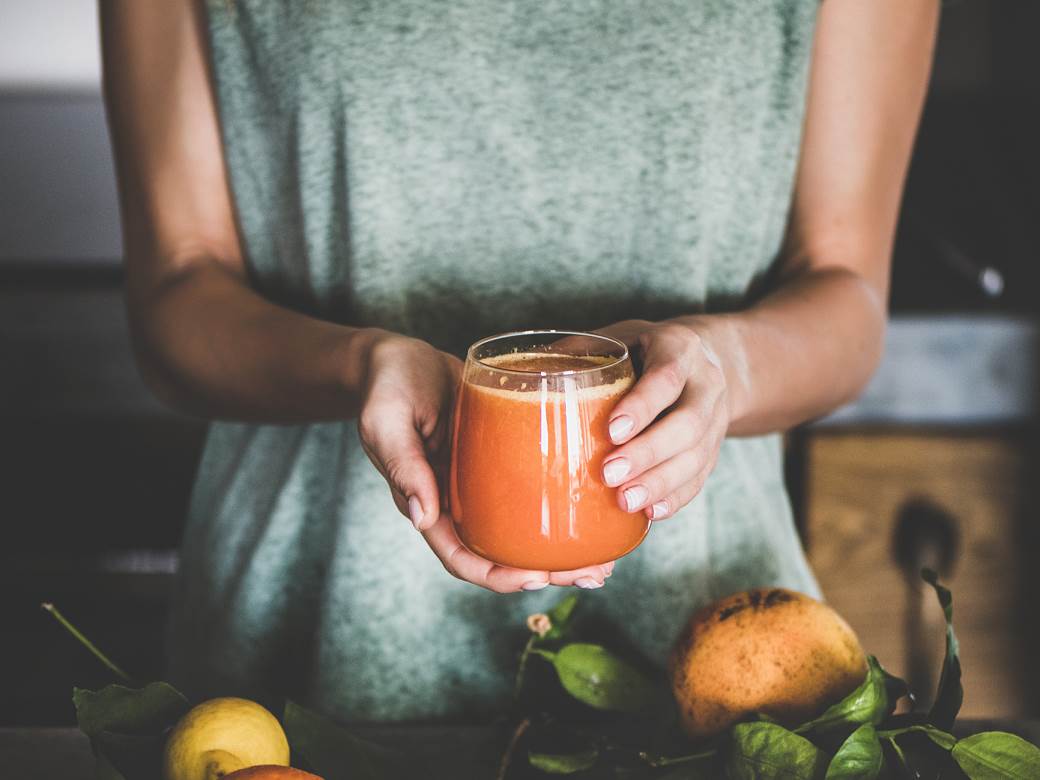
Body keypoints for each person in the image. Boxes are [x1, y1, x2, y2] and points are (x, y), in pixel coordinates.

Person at [100, 0, 938, 720]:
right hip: (303, 624)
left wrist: (728, 368)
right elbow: (177, 292)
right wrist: (356, 363)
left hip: (718, 649)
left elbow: (847, 289)